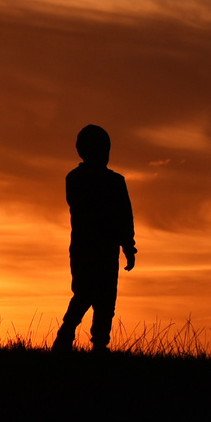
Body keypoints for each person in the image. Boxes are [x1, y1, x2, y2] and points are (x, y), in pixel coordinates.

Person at [52, 124, 137, 352]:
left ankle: (99, 343)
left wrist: (128, 246)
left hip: (107, 249)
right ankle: (66, 333)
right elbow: (82, 207)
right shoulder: (76, 178)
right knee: (85, 293)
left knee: (106, 300)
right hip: (85, 247)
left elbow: (125, 217)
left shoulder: (115, 181)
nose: (103, 155)